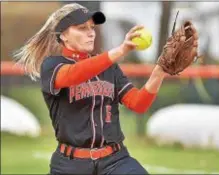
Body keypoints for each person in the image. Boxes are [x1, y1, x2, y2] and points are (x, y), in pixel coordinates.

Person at [14, 3, 167, 175]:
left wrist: (159, 72)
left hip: (115, 161)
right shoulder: (52, 66)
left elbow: (138, 104)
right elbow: (74, 74)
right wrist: (121, 50)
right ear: (63, 35)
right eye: (82, 28)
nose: (91, 33)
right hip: (70, 165)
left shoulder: (110, 68)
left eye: (92, 28)